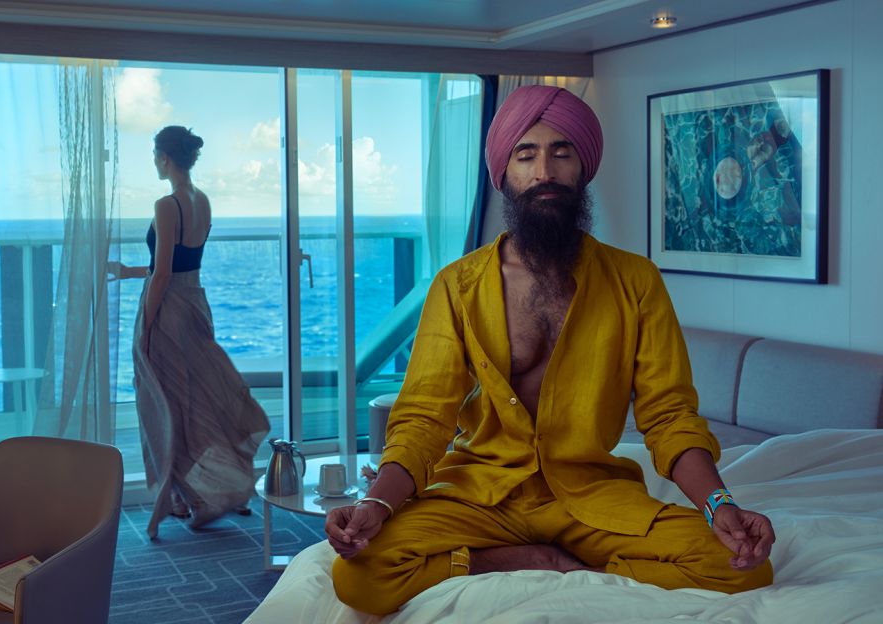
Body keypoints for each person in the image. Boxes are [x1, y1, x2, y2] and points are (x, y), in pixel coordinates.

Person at [325, 86, 776, 615]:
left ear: (583, 167)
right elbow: (425, 415)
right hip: (479, 495)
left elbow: (669, 414)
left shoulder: (635, 281)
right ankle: (525, 558)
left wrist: (720, 505)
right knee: (362, 573)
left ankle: (571, 559)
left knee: (742, 566)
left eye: (562, 152)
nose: (545, 171)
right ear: (505, 174)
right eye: (526, 154)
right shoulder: (457, 286)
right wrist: (378, 502)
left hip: (590, 496)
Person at [109, 125, 270, 539]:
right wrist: (128, 271)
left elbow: (163, 273)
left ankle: (181, 496)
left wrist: (145, 323)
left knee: (162, 404)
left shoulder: (167, 204)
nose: (153, 162)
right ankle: (201, 491)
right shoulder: (203, 201)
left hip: (168, 312)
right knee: (198, 401)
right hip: (196, 303)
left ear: (165, 158)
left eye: (153, 154)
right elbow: (183, 264)